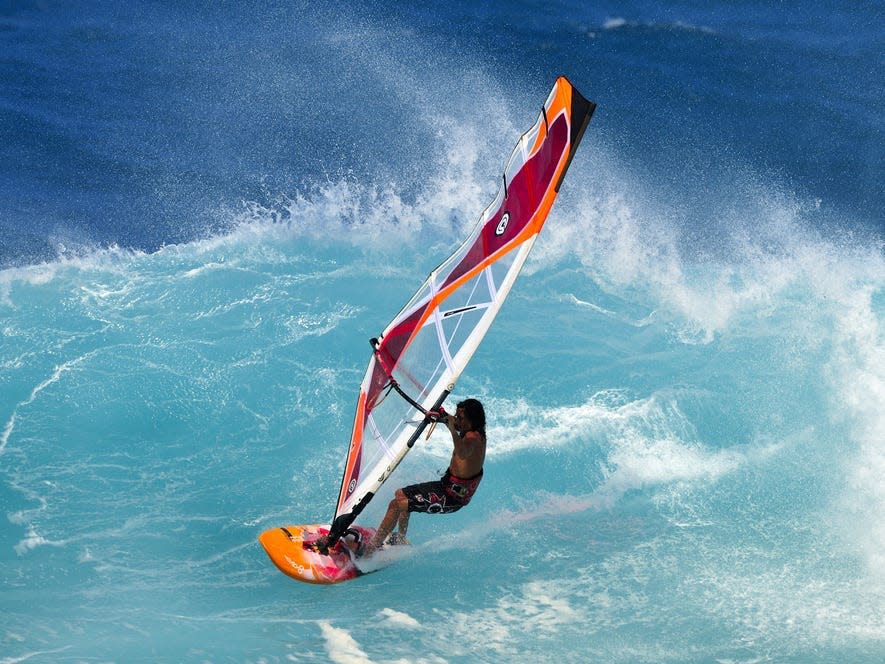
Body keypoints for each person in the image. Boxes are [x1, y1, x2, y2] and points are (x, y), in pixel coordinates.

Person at [359, 398, 486, 557]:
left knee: (396, 505)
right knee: (400, 494)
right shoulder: (469, 429)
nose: (457, 420)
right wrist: (441, 415)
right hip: (445, 486)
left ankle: (370, 551)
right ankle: (400, 539)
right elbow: (451, 421)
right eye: (457, 415)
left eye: (461, 418)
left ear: (472, 420)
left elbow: (462, 452)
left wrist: (452, 430)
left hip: (453, 498)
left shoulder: (474, 438)